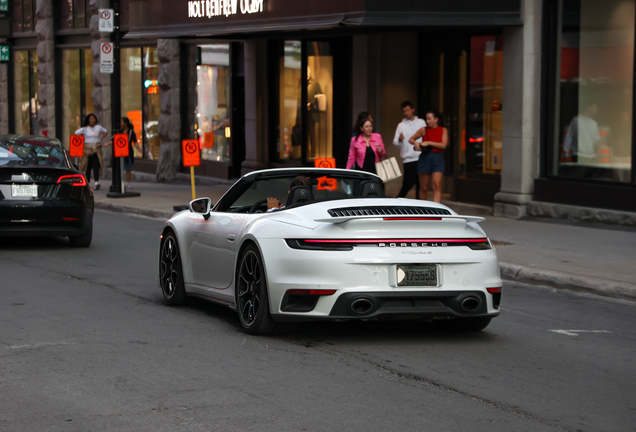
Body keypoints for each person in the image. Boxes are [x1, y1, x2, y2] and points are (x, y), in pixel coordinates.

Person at [409, 110, 448, 203]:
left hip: (437, 158)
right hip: (425, 158)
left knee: (437, 185)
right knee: (423, 187)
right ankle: (423, 208)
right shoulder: (423, 129)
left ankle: (436, 208)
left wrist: (429, 142)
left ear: (436, 119)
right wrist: (417, 144)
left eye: (429, 119)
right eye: (426, 119)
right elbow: (411, 139)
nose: (427, 121)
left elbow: (444, 145)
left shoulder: (443, 130)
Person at [393, 101, 425, 199]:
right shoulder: (401, 125)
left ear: (413, 110)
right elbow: (395, 143)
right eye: (404, 111)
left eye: (408, 110)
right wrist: (399, 140)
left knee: (421, 184)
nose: (406, 113)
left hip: (421, 157)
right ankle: (398, 201)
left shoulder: (421, 122)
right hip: (408, 159)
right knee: (407, 183)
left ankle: (420, 208)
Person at [75, 114, 108, 190]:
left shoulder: (98, 127)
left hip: (96, 149)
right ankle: (88, 182)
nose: (93, 120)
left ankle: (96, 182)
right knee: (88, 166)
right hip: (87, 149)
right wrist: (82, 141)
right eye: (91, 119)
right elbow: (76, 133)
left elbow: (105, 132)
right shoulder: (84, 129)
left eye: (94, 119)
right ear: (88, 120)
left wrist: (100, 138)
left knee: (96, 165)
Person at [119, 117, 140, 190]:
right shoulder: (119, 131)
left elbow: (135, 141)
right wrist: (108, 143)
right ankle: (121, 182)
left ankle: (128, 183)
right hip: (120, 151)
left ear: (126, 123)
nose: (120, 123)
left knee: (128, 168)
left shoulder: (131, 132)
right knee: (120, 168)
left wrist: (138, 148)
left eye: (121, 122)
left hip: (128, 151)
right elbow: (114, 139)